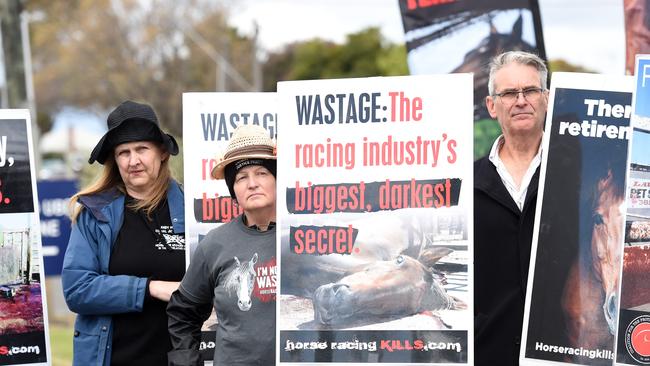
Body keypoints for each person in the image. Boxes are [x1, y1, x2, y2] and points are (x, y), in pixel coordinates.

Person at [61, 100, 185, 366]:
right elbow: (77, 289)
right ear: (114, 160)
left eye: (142, 149)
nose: (133, 161)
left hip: (182, 357)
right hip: (113, 358)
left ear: (162, 152)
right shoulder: (94, 213)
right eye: (123, 152)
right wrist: (149, 288)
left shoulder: (193, 208)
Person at [167, 124, 277, 366]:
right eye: (241, 177)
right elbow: (183, 313)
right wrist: (186, 362)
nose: (252, 184)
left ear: (277, 179)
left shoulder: (300, 242)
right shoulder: (215, 244)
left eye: (262, 173)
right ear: (233, 190)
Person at [474, 51, 549, 365]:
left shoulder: (575, 175)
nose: (521, 100)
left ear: (546, 98)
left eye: (530, 90)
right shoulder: (468, 183)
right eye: (508, 93)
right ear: (492, 105)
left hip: (559, 352)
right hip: (488, 352)